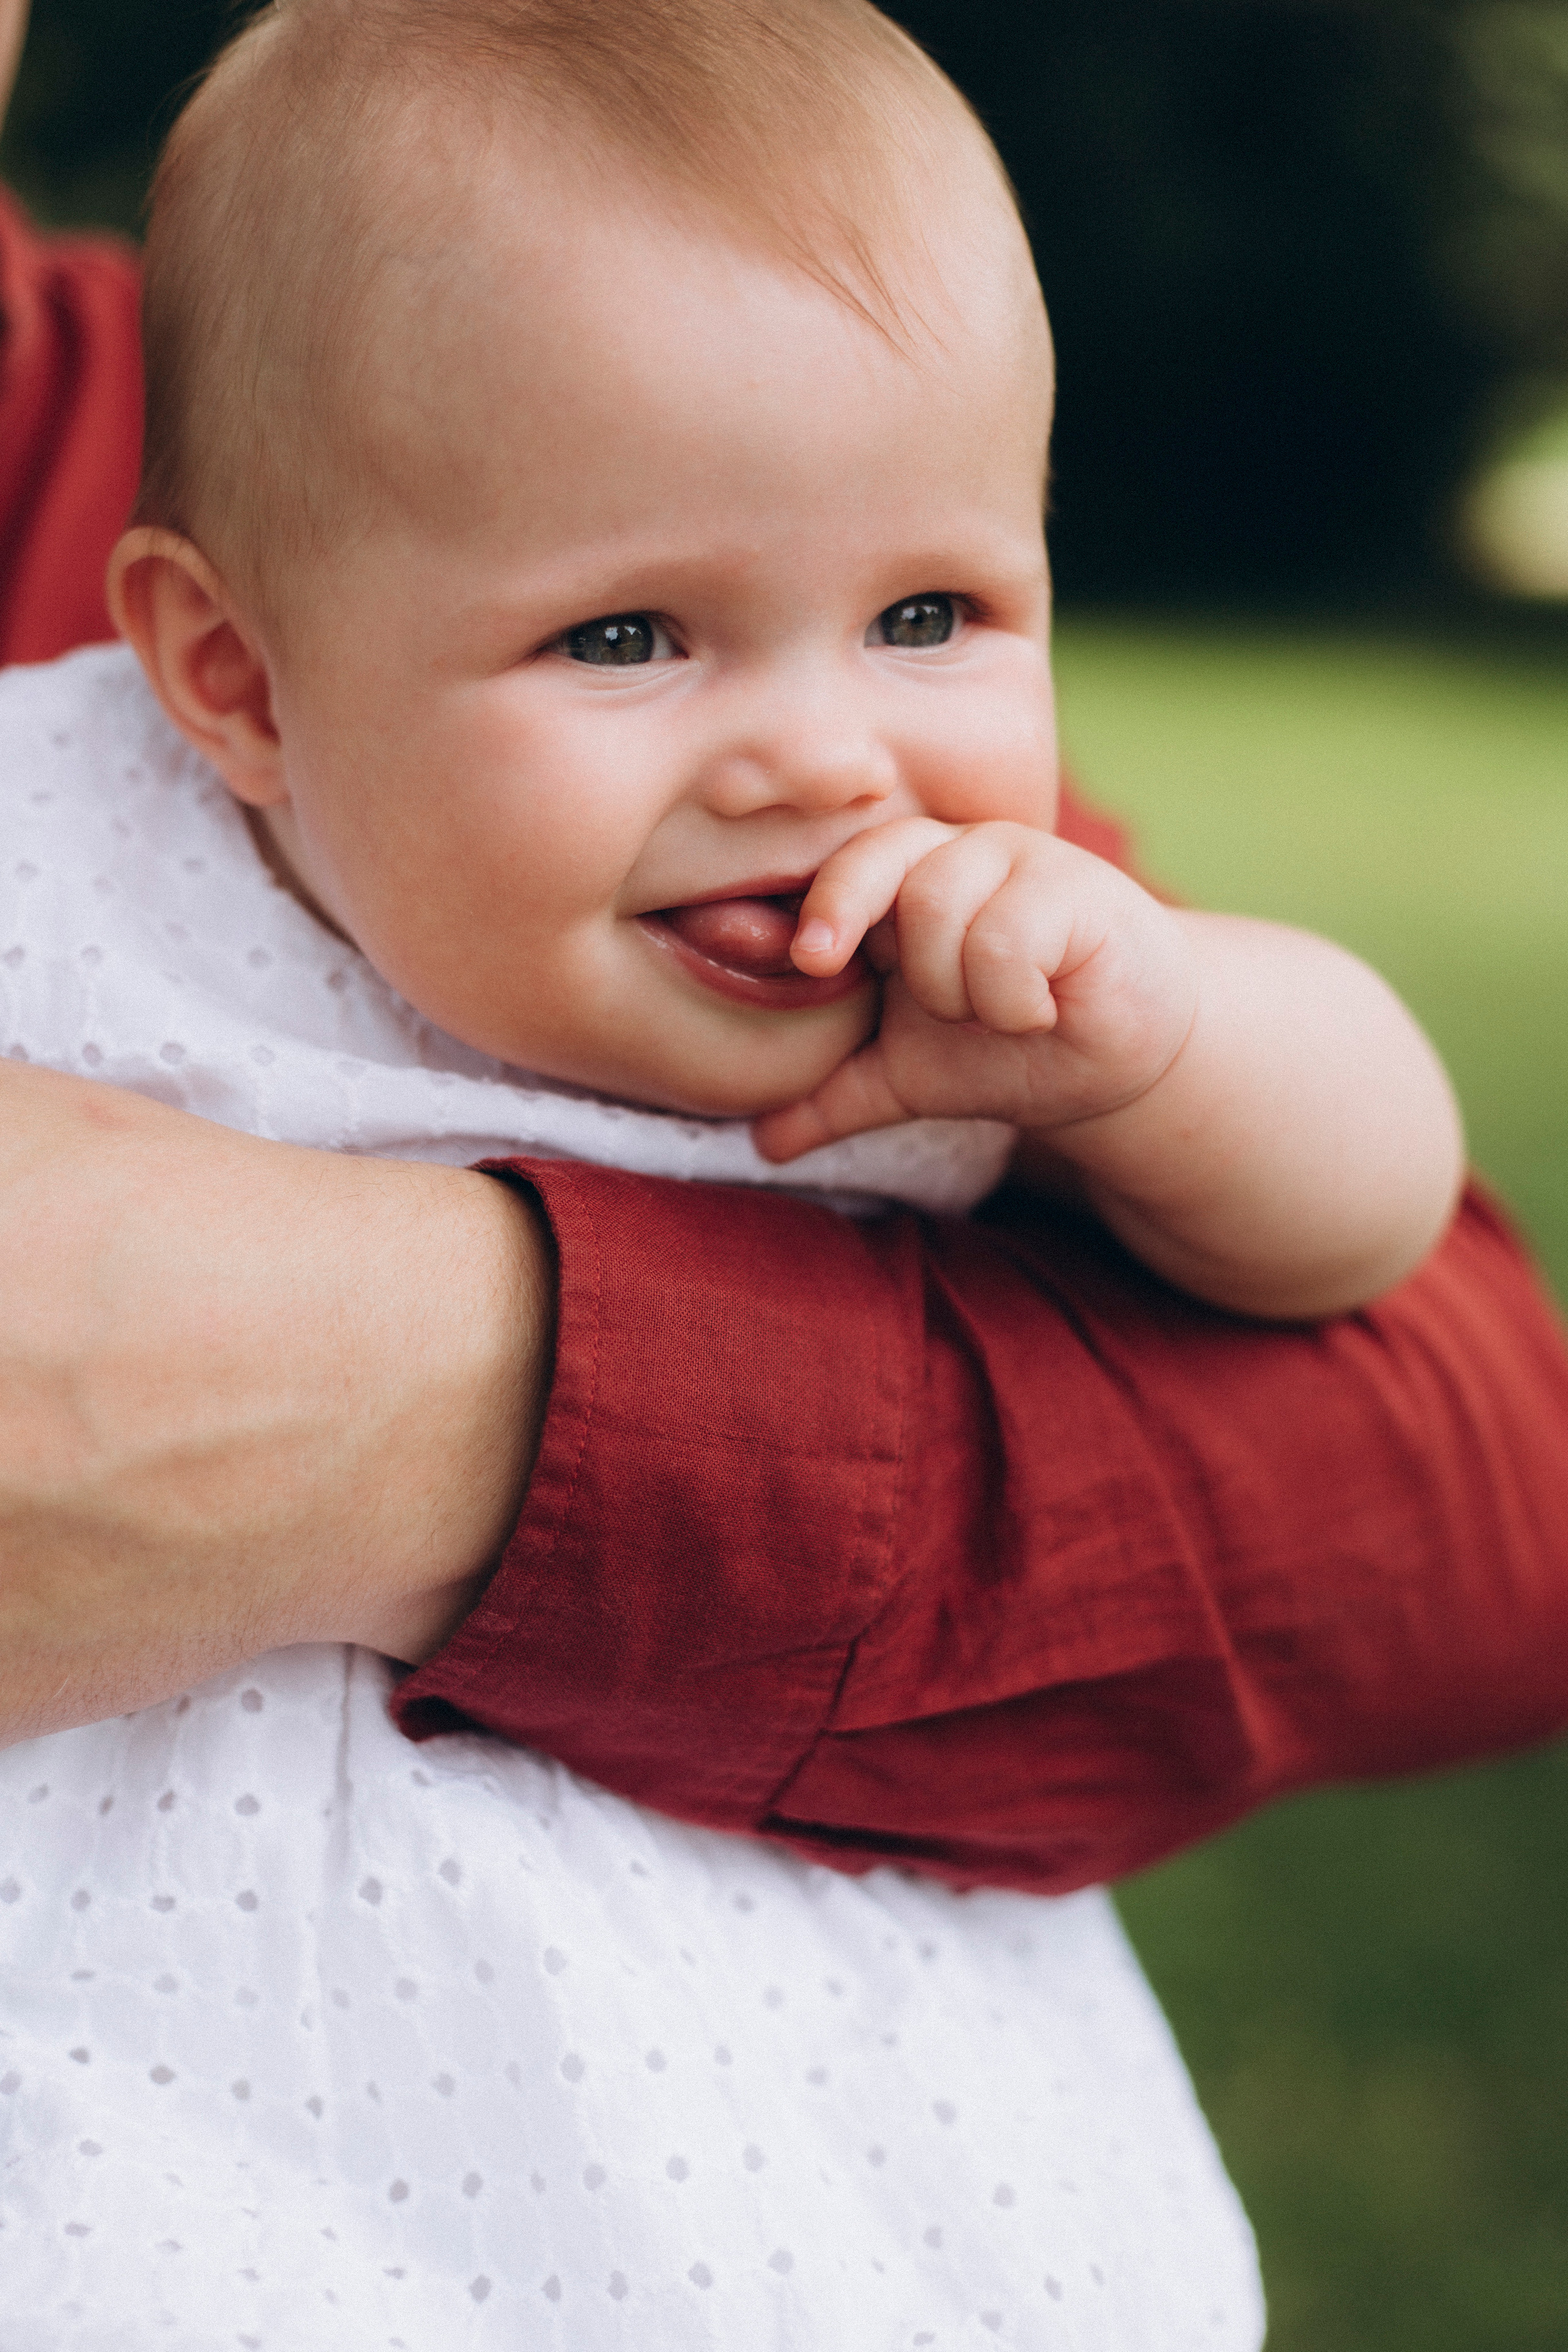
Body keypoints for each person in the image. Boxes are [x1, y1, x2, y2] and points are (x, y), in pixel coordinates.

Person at [0, 5, 1543, 2343]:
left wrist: (1170, 1037)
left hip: (755, 2104)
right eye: (626, 638)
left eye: (933, 613)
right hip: (148, 2060)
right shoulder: (64, 826)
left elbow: (1410, 1318)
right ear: (232, 678)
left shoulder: (920, 969)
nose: (821, 746)